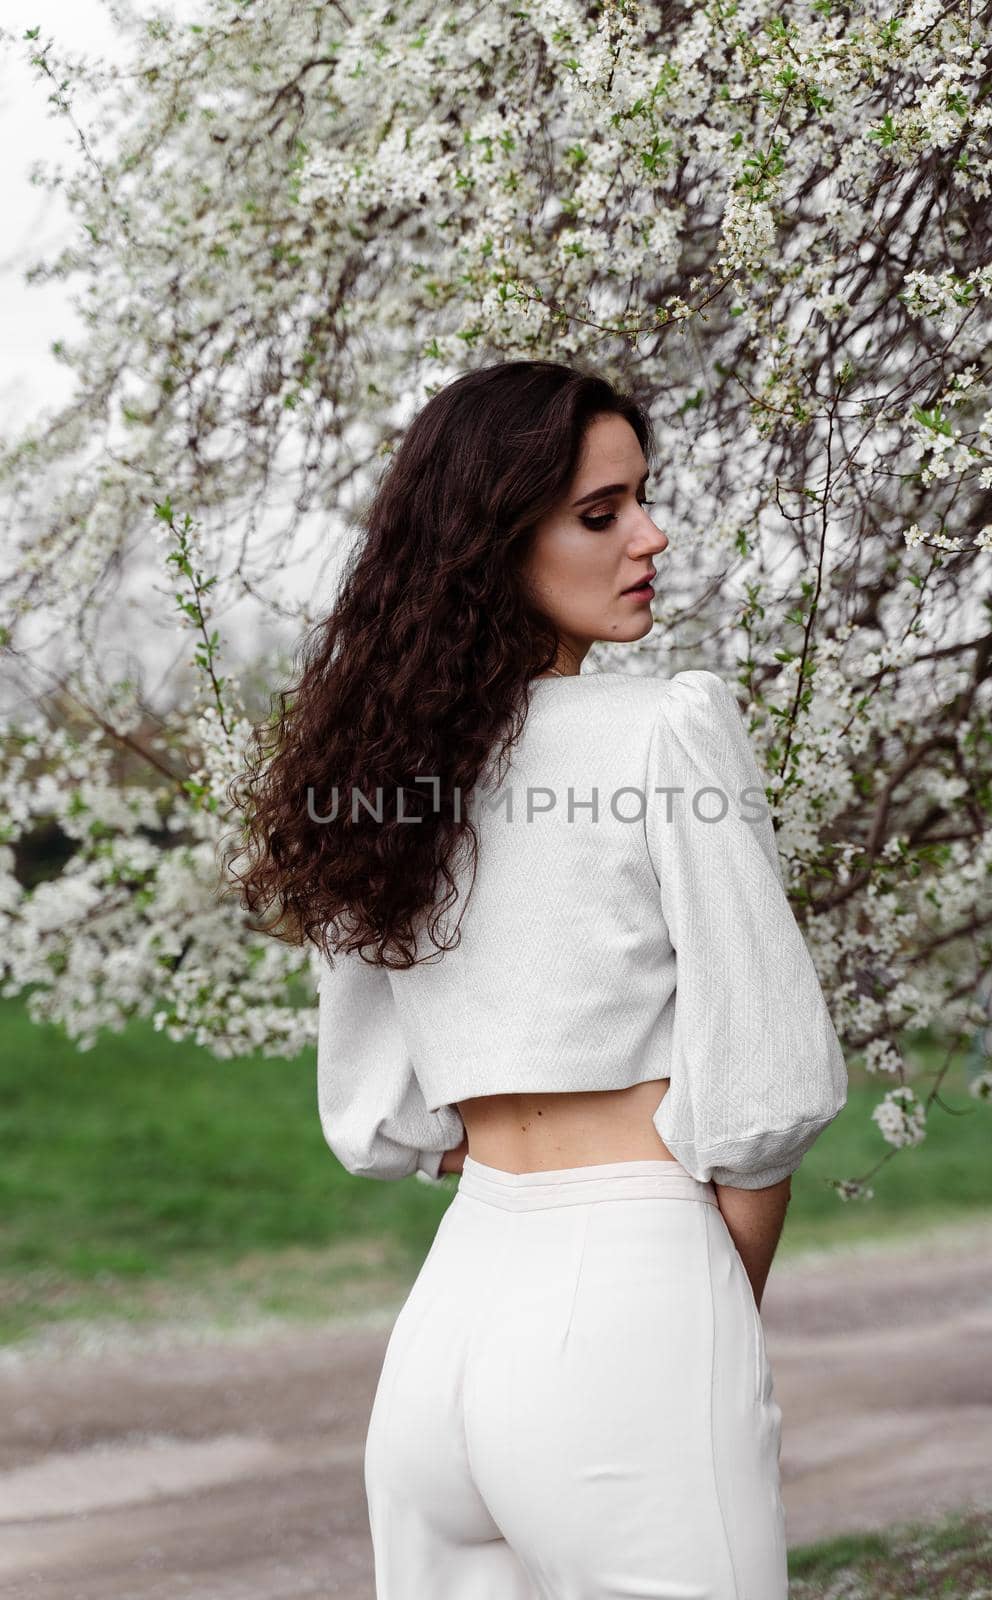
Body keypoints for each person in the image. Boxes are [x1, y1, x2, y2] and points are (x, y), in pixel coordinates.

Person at [229, 359, 849, 1599]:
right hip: (625, 1294)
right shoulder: (659, 728)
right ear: (492, 538)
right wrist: (701, 1311)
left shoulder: (375, 774)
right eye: (600, 512)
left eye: (641, 500)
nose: (651, 535)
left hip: (448, 1322)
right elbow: (762, 1092)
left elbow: (384, 1107)